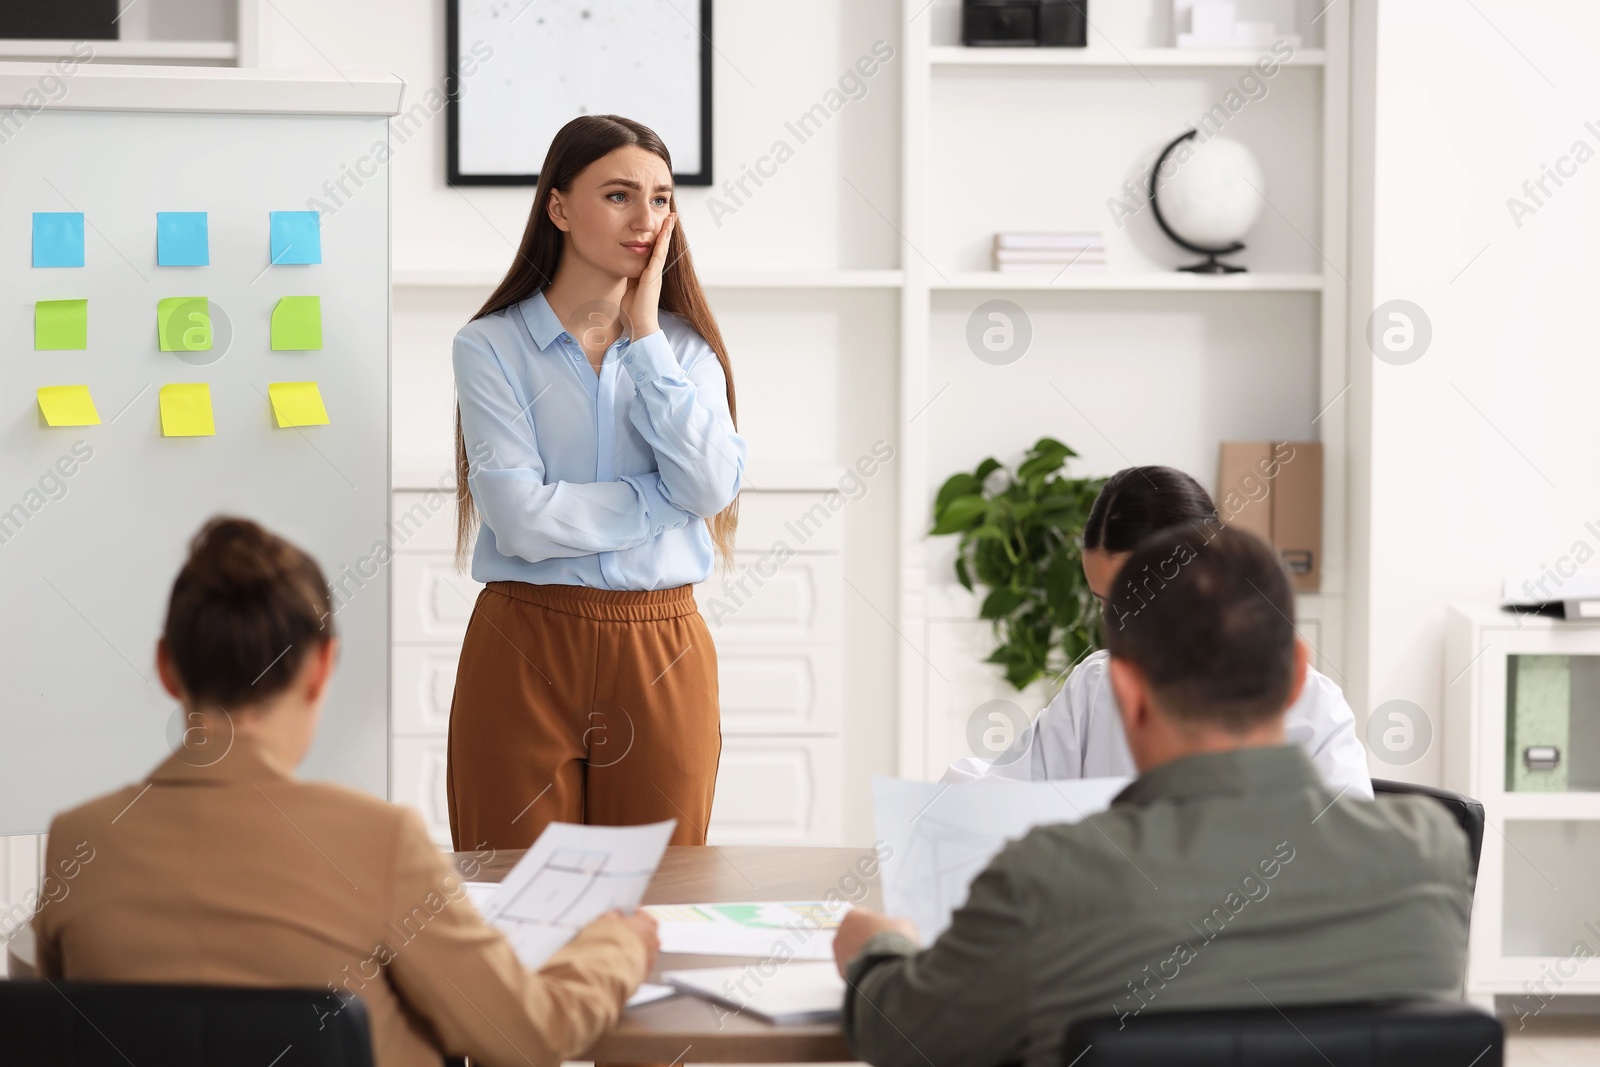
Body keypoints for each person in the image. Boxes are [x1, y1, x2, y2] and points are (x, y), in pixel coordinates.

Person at [32, 516, 659, 1067]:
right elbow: (526, 1036)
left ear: (168, 668)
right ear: (322, 667)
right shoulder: (380, 843)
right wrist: (616, 947)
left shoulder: (79, 844)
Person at [836, 526, 1471, 1067]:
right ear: (1297, 670)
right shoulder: (1432, 854)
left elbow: (905, 1030)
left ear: (1128, 693)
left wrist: (875, 947)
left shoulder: (1050, 882)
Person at [447, 114, 745, 853]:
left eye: (663, 199)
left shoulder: (686, 352)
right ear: (559, 207)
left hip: (663, 646)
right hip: (523, 643)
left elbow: (709, 486)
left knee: (662, 900)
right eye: (619, 195)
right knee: (511, 898)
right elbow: (517, 520)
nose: (646, 219)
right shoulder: (490, 347)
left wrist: (645, 338)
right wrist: (661, 500)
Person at [944, 465, 1373, 799]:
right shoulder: (1096, 686)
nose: (1119, 630)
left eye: (1136, 604)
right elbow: (993, 791)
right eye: (1104, 605)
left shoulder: (1315, 710)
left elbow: (1349, 869)